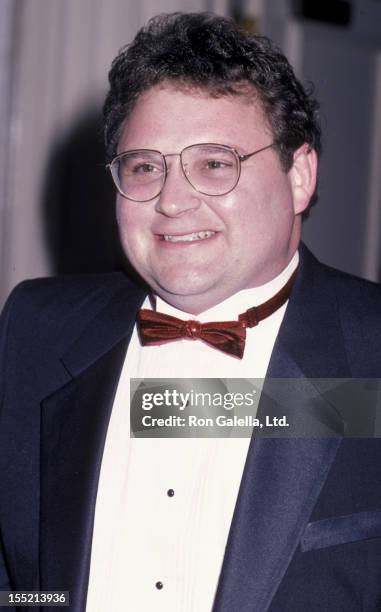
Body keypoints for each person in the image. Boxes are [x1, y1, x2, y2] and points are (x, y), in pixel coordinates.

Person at [1, 11, 381, 612]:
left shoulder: (372, 354)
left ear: (299, 176)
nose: (173, 201)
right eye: (145, 167)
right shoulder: (32, 331)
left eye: (214, 163)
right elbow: (19, 585)